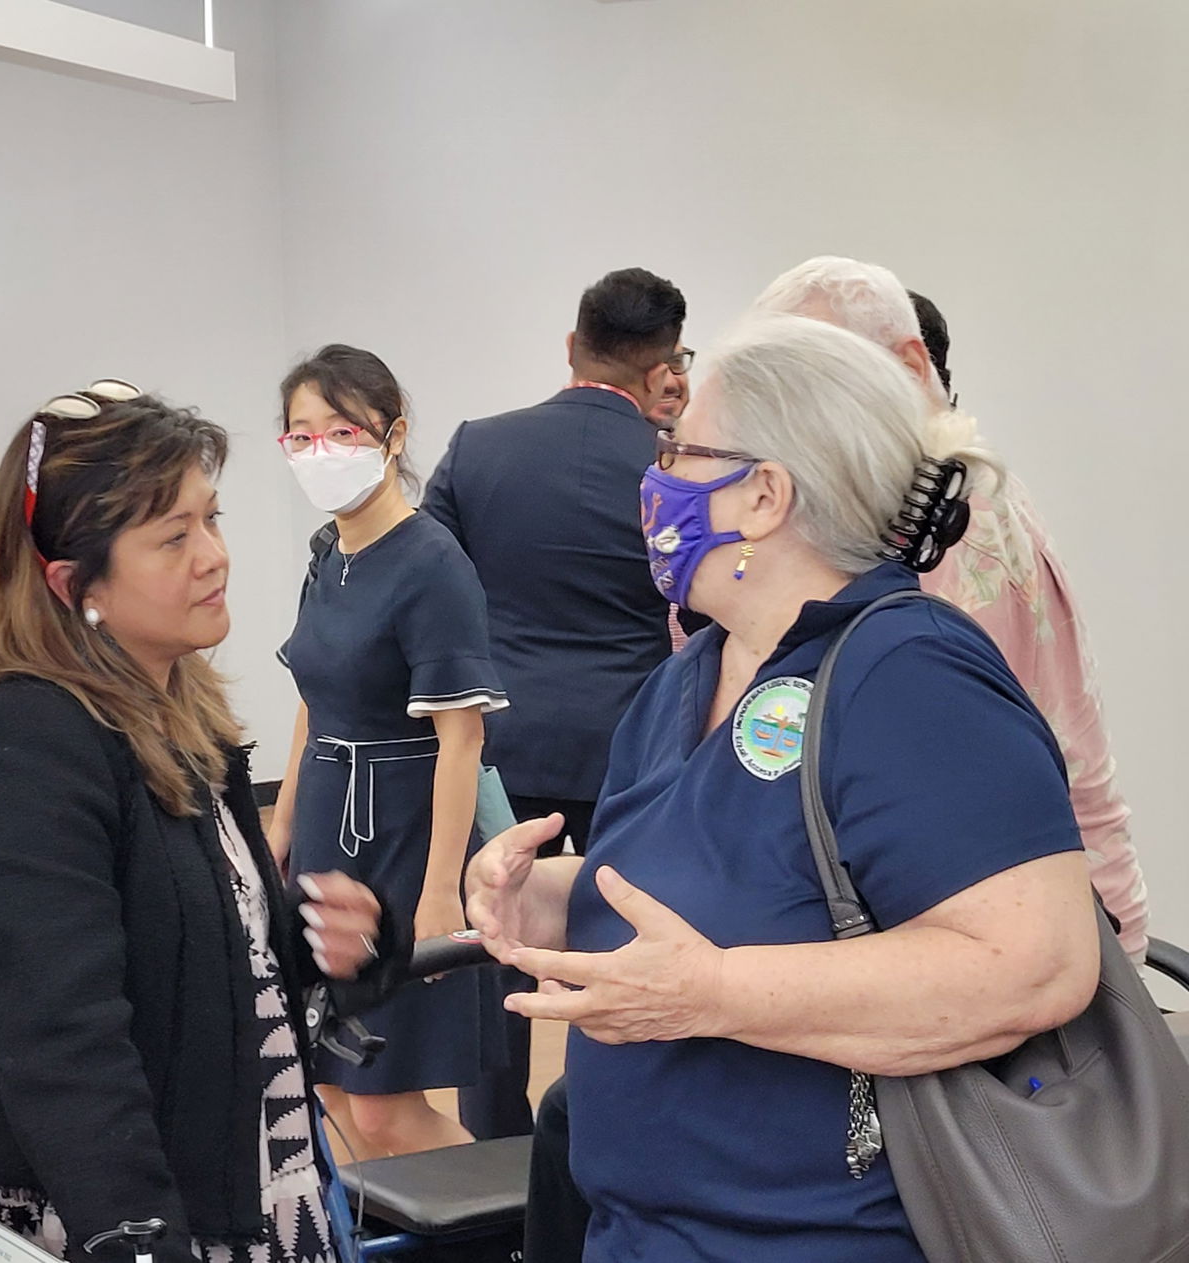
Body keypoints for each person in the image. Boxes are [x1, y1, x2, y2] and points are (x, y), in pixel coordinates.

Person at [467, 314, 1099, 1262]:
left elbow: (1034, 963)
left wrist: (713, 992)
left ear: (764, 493)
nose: (655, 478)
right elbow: (719, 881)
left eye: (677, 450)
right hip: (643, 1230)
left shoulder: (908, 671)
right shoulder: (691, 675)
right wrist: (550, 895)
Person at [0, 387, 389, 1262]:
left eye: (211, 519)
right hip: (121, 1207)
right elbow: (63, 1035)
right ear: (71, 583)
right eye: (173, 537)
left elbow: (213, 970)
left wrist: (328, 947)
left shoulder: (180, 712)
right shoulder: (20, 739)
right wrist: (136, 1235)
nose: (215, 557)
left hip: (238, 1181)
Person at [756, 256, 1148, 959]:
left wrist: (1119, 952)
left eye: (822, 373)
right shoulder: (869, 517)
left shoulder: (959, 532)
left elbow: (1059, 759)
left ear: (909, 367)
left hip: (957, 938)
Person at [421, 267, 696, 1141]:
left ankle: (497, 1154)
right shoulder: (673, 468)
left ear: (571, 348)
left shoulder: (477, 447)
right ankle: (606, 1130)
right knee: (620, 945)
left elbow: (430, 586)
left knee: (499, 941)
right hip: (636, 749)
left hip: (502, 749)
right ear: (661, 373)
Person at [268, 344, 508, 1158]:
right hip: (328, 837)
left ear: (393, 436)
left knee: (385, 1104)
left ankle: (516, 1225)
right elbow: (312, 699)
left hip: (407, 842)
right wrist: (281, 827)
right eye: (300, 435)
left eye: (341, 430)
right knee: (330, 1086)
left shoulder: (434, 564)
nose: (318, 451)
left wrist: (442, 892)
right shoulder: (326, 555)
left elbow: (462, 736)